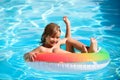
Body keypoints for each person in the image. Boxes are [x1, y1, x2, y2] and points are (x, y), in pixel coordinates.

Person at [24, 16, 97, 62]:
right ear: (45, 36)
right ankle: (82, 55)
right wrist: (29, 54)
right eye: (52, 37)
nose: (55, 40)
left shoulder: (57, 43)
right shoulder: (41, 48)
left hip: (71, 56)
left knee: (69, 40)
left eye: (57, 37)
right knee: (56, 50)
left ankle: (88, 49)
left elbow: (67, 38)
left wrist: (67, 24)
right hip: (70, 59)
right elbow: (26, 55)